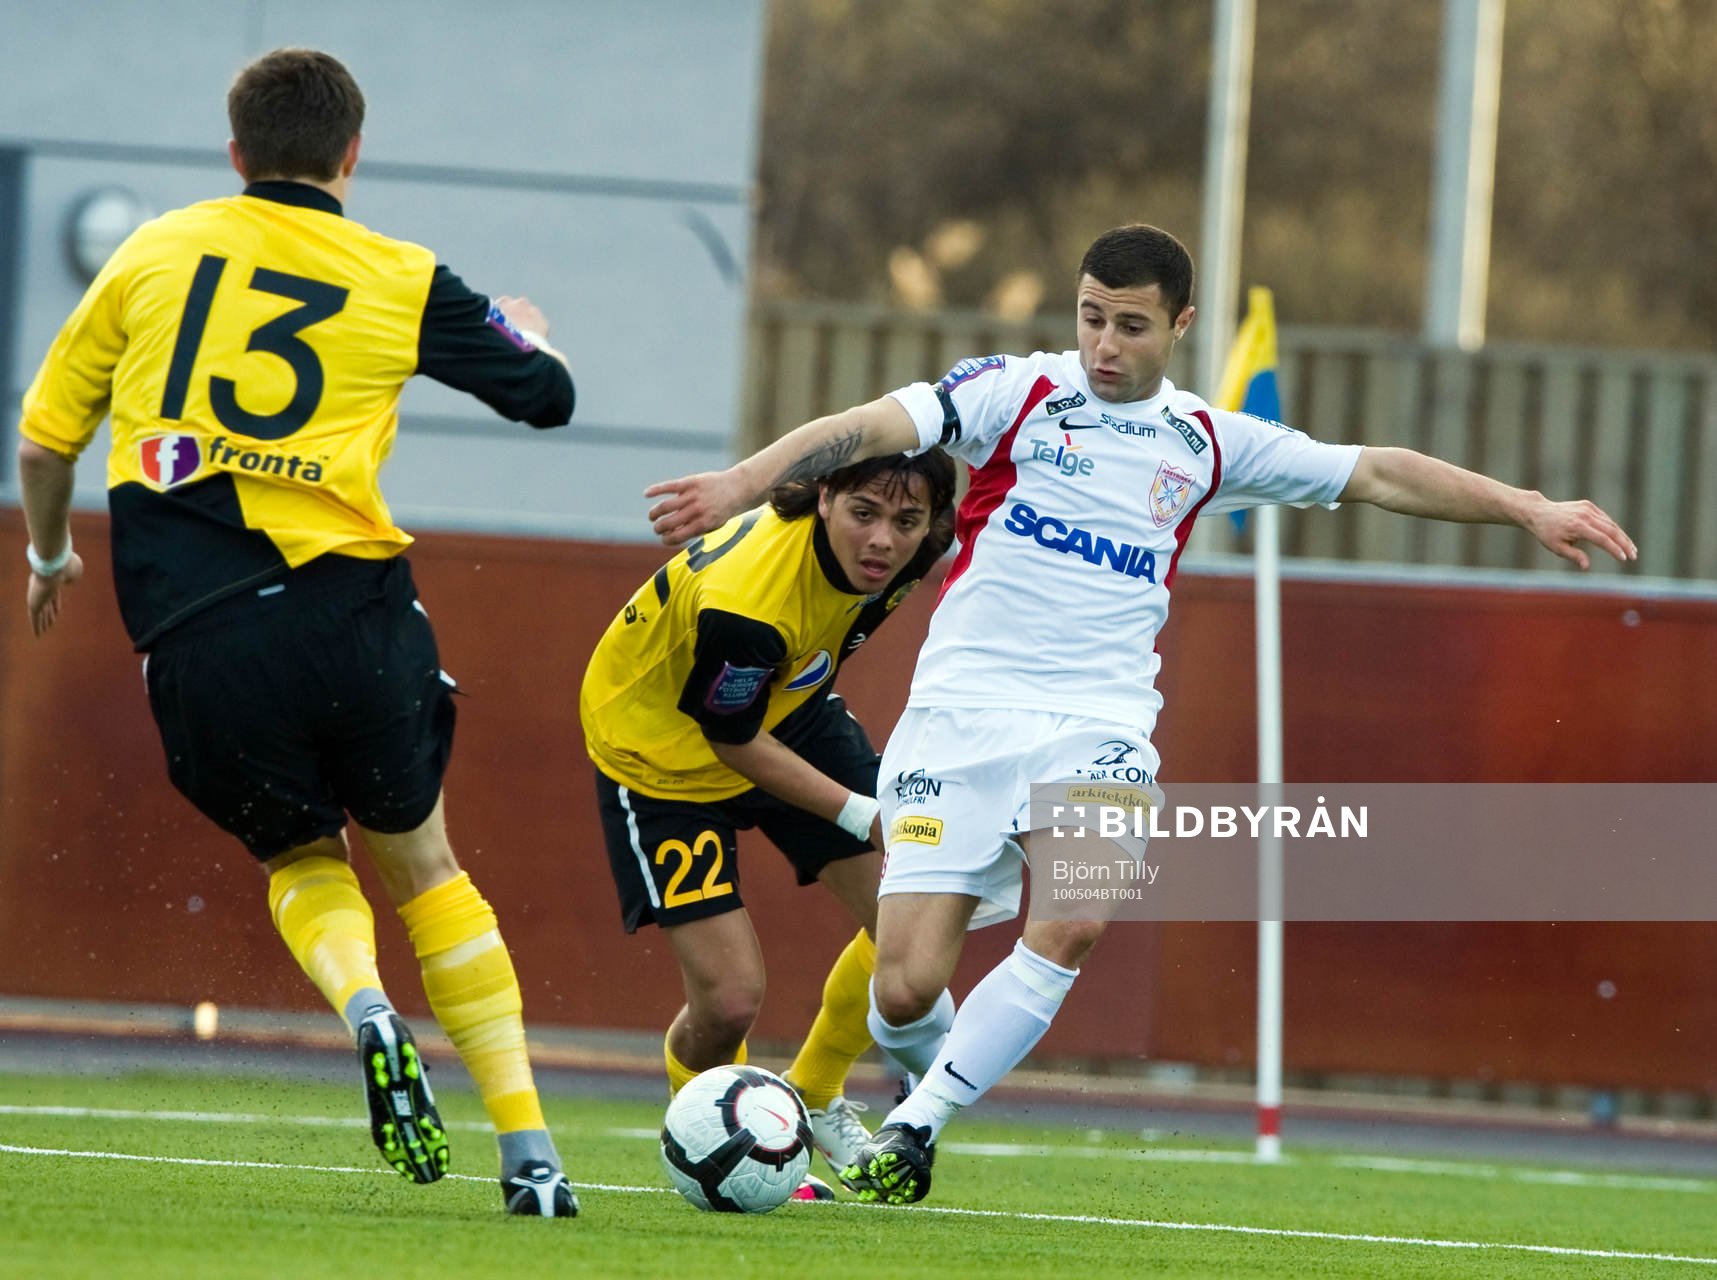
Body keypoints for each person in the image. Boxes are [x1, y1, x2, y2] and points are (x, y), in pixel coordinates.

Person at [643, 223, 1638, 1204]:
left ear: (1179, 326)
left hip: (1099, 719)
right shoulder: (1016, 391)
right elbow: (869, 425)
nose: (1105, 346)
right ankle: (924, 1078)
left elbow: (1371, 469)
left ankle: (916, 1126)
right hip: (960, 715)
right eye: (1090, 319)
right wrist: (743, 479)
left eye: (1129, 326)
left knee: (1072, 915)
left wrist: (1524, 505)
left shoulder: (1205, 439)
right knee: (901, 989)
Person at [17, 48, 580, 1217]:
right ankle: (529, 1152)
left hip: (198, 634)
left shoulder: (157, 249)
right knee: (425, 865)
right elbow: (548, 395)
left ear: (235, 155)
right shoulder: (401, 272)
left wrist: (48, 554)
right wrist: (527, 326)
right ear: (351, 155)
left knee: (302, 858)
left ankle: (365, 1007)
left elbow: (42, 444)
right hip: (351, 614)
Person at [581, 450, 956, 1189]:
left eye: (904, 521)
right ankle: (714, 1146)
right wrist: (863, 814)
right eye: (863, 514)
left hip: (790, 710)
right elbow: (730, 738)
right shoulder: (747, 604)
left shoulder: (919, 548)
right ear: (823, 500)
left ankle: (813, 1094)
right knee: (727, 1002)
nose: (882, 539)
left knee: (908, 924)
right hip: (660, 754)